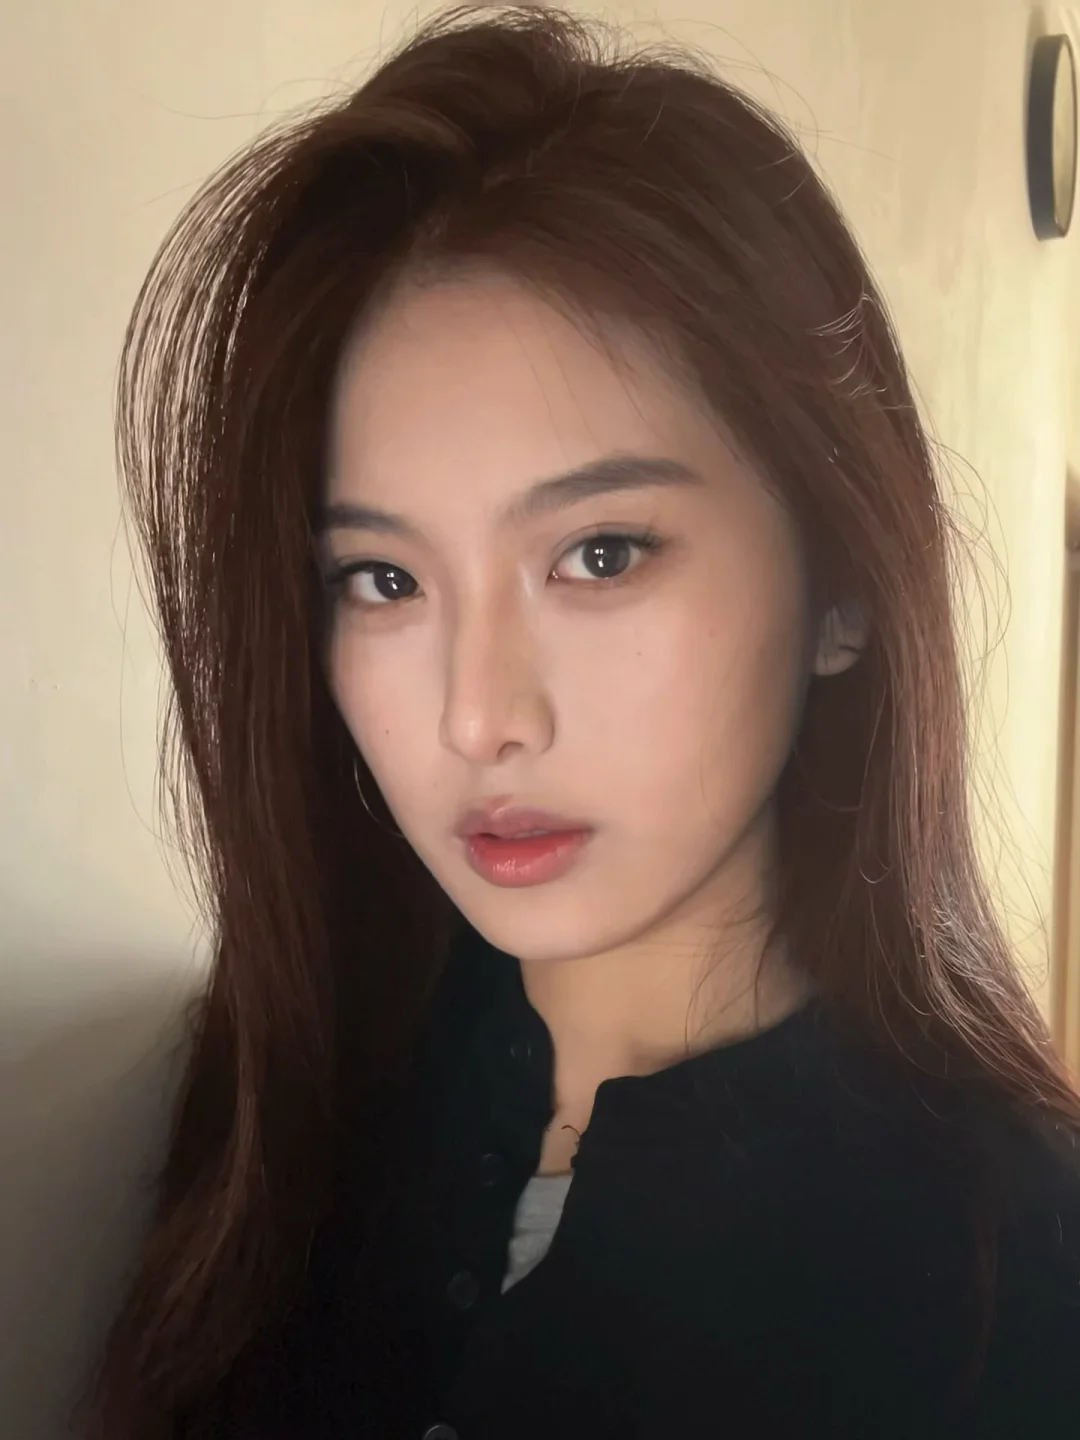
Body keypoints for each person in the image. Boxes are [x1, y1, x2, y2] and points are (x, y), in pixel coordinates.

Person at [84, 6, 1080, 1438]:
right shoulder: (292, 1089)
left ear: (843, 587)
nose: (478, 715)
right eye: (383, 580)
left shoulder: (1015, 1274)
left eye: (601, 555)